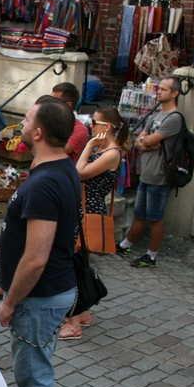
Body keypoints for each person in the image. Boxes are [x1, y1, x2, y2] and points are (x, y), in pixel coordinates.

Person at [0, 97, 79, 387]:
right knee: (33, 367)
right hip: (42, 293)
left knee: (34, 373)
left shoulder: (46, 182)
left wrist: (10, 302)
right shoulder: (59, 165)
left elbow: (36, 256)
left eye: (26, 120)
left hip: (40, 298)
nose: (21, 124)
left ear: (39, 132)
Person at [62, 106, 130, 340]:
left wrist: (89, 146)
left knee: (73, 264)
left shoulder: (112, 153)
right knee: (79, 264)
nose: (91, 126)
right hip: (82, 209)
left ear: (107, 127)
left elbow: (77, 173)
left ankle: (73, 323)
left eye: (95, 122)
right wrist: (91, 146)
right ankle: (83, 313)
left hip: (87, 212)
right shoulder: (103, 148)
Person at [116, 76, 184, 268]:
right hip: (147, 173)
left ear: (175, 93)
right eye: (159, 89)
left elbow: (148, 140)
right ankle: (125, 244)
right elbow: (138, 142)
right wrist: (146, 143)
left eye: (163, 89)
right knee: (140, 214)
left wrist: (146, 142)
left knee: (155, 217)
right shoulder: (156, 116)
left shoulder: (174, 118)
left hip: (160, 176)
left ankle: (151, 256)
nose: (158, 92)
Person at [51, 82, 90, 161]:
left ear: (68, 105)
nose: (48, 104)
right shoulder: (47, 120)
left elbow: (56, 152)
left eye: (53, 101)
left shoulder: (80, 130)